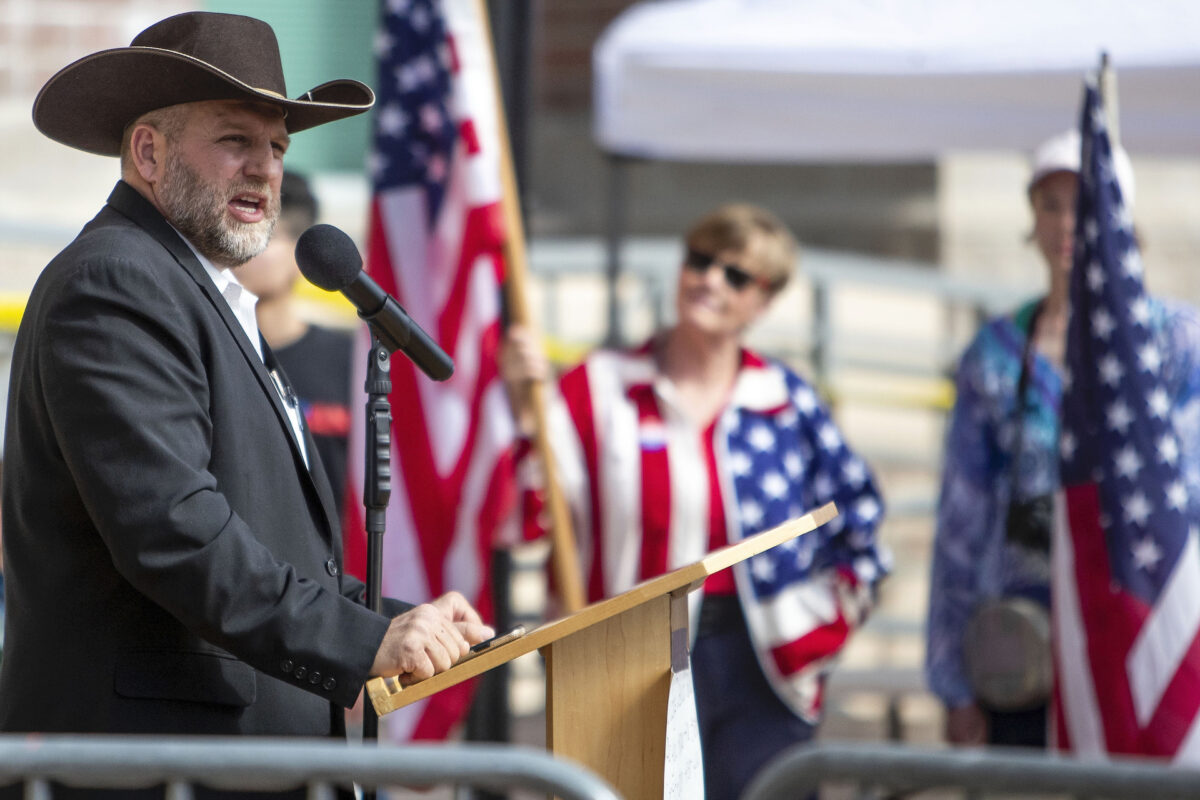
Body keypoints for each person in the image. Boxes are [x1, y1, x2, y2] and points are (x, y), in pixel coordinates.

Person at [0, 10, 492, 789]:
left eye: (277, 147)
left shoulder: (191, 288)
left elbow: (266, 543)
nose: (265, 169)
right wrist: (362, 639)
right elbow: (176, 536)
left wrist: (400, 619)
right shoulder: (118, 282)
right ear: (149, 151)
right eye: (236, 140)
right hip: (147, 770)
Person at [502, 203, 889, 800]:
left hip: (761, 670)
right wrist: (525, 413)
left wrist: (814, 633)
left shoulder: (785, 400)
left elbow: (861, 524)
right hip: (625, 662)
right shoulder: (599, 386)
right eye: (701, 261)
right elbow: (527, 514)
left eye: (737, 275)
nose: (710, 280)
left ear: (764, 302)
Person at [925, 130, 1200, 747]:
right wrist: (954, 681)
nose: (1067, 223)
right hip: (1024, 639)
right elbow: (961, 523)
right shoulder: (994, 354)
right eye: (1050, 204)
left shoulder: (1176, 342)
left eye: (1086, 203)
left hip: (1141, 633)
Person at [238, 170, 354, 520]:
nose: (241, 250)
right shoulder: (205, 356)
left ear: (304, 251)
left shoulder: (351, 362)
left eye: (263, 235)